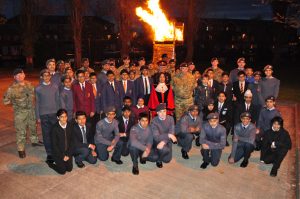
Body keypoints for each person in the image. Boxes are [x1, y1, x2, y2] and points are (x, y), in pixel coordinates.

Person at [3, 68, 43, 158]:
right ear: (14, 77)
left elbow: (34, 96)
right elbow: (5, 101)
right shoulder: (11, 88)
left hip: (31, 111)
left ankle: (34, 141)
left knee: (33, 127)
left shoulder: (29, 84)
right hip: (20, 113)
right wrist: (16, 103)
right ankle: (21, 149)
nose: (20, 76)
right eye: (18, 75)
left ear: (24, 75)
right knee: (21, 131)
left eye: (21, 74)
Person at [35, 69, 60, 164]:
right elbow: (37, 103)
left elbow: (57, 101)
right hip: (44, 115)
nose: (46, 77)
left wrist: (59, 114)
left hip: (54, 114)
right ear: (41, 77)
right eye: (44, 75)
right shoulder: (38, 88)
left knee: (55, 134)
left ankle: (56, 151)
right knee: (46, 135)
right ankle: (49, 153)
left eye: (48, 75)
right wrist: (38, 116)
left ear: (50, 76)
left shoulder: (55, 86)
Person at [151, 103, 177, 168]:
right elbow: (156, 137)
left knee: (167, 160)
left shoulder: (171, 119)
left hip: (167, 140)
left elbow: (172, 132)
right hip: (158, 141)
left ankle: (159, 151)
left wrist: (164, 141)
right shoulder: (154, 121)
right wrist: (169, 135)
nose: (163, 113)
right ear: (157, 113)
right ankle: (158, 160)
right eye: (160, 112)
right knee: (164, 150)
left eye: (164, 111)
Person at [48, 109, 73, 175]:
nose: (64, 119)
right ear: (58, 118)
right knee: (62, 171)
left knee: (69, 169)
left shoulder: (70, 125)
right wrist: (62, 156)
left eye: (65, 116)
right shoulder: (54, 128)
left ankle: (62, 162)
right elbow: (54, 145)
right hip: (58, 152)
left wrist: (68, 154)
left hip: (67, 151)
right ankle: (50, 163)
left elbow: (72, 141)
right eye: (62, 117)